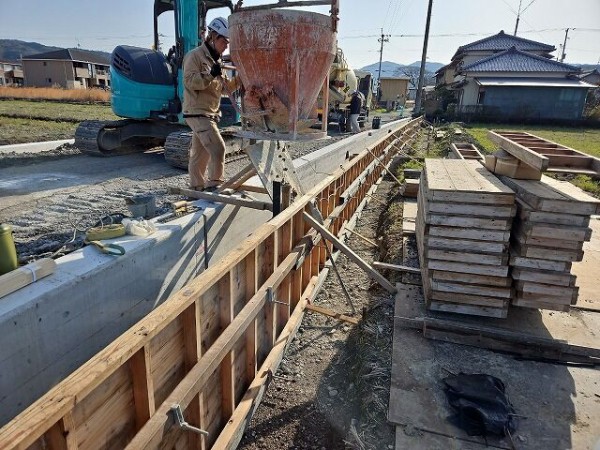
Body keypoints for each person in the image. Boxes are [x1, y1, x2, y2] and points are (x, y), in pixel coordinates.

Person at [182, 17, 241, 191]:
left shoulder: (216, 62)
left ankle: (196, 189)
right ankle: (215, 186)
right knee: (218, 149)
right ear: (213, 37)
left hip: (209, 113)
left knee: (200, 155)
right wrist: (210, 74)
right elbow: (190, 82)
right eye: (224, 40)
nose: (226, 45)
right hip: (197, 112)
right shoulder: (195, 56)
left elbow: (224, 89)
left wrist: (241, 79)